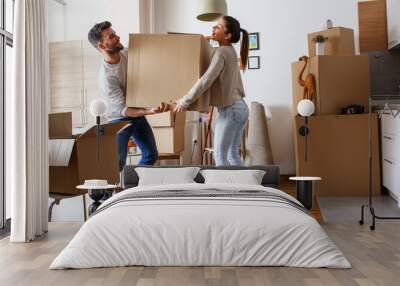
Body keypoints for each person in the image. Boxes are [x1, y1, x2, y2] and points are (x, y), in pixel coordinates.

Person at [88, 21, 166, 171]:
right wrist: (150, 110)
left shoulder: (127, 54)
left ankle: (134, 186)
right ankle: (106, 195)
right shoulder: (107, 77)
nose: (117, 37)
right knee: (117, 162)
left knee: (151, 154)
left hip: (136, 113)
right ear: (102, 46)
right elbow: (124, 110)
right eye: (111, 37)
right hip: (118, 118)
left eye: (115, 33)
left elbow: (152, 49)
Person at [174, 16, 250, 166]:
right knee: (232, 155)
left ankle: (227, 189)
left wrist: (185, 101)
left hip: (231, 111)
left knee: (221, 156)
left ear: (227, 36)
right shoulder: (229, 51)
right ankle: (244, 187)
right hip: (241, 108)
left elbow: (206, 80)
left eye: (219, 27)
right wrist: (207, 41)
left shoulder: (222, 52)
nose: (213, 29)